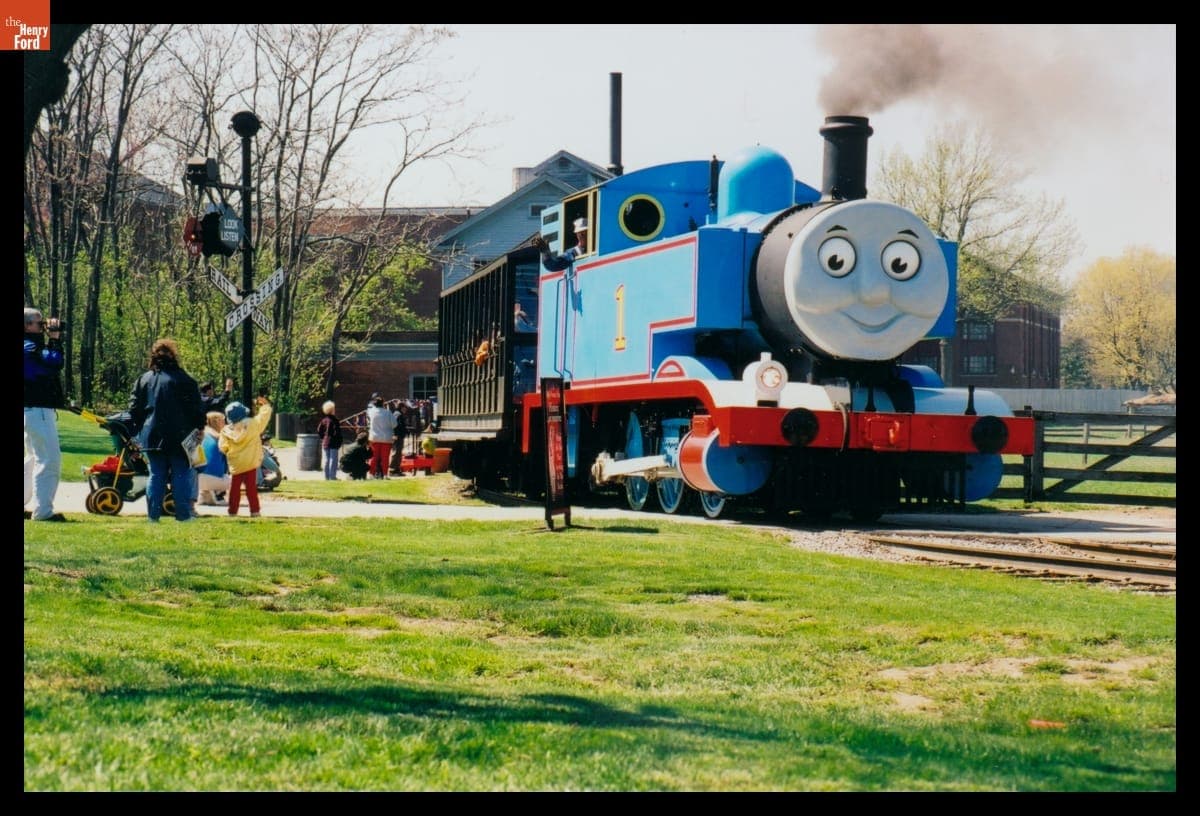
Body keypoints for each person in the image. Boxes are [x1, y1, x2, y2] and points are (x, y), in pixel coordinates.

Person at [127, 338, 205, 523]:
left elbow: (134, 408)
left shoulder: (144, 380)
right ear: (174, 355)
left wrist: (135, 432)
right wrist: (200, 428)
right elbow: (196, 408)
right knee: (181, 474)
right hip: (181, 435)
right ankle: (183, 515)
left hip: (152, 434)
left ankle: (153, 516)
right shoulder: (185, 380)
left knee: (156, 474)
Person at [24, 307, 67, 522]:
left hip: (30, 410)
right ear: (26, 326)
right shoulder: (30, 347)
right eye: (38, 324)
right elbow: (54, 362)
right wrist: (55, 339)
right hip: (37, 409)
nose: (43, 328)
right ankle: (43, 511)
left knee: (32, 459)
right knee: (49, 459)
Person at [218, 395, 273, 517]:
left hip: (236, 463)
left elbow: (222, 447)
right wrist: (265, 406)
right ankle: (254, 511)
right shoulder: (253, 424)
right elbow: (263, 417)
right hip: (250, 462)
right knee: (251, 488)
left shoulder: (226, 430)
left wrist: (229, 450)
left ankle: (232, 511)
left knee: (234, 489)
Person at [197, 411, 231, 505]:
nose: (225, 424)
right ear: (217, 422)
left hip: (197, 479)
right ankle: (218, 494)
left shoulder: (201, 434)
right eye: (223, 421)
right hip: (213, 479)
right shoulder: (220, 437)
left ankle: (204, 495)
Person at [366, 396, 396, 479]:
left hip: (374, 438)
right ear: (383, 404)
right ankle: (385, 475)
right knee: (385, 458)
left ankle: (371, 474)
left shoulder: (371, 412)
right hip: (386, 438)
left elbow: (368, 421)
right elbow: (394, 424)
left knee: (373, 457)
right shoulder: (388, 412)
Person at [316, 400, 344, 480]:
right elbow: (337, 432)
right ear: (332, 410)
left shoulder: (323, 420)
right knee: (333, 460)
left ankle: (326, 476)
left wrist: (323, 437)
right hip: (333, 442)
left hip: (325, 442)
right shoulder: (335, 420)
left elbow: (319, 430)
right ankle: (332, 477)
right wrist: (340, 440)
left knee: (326, 460)